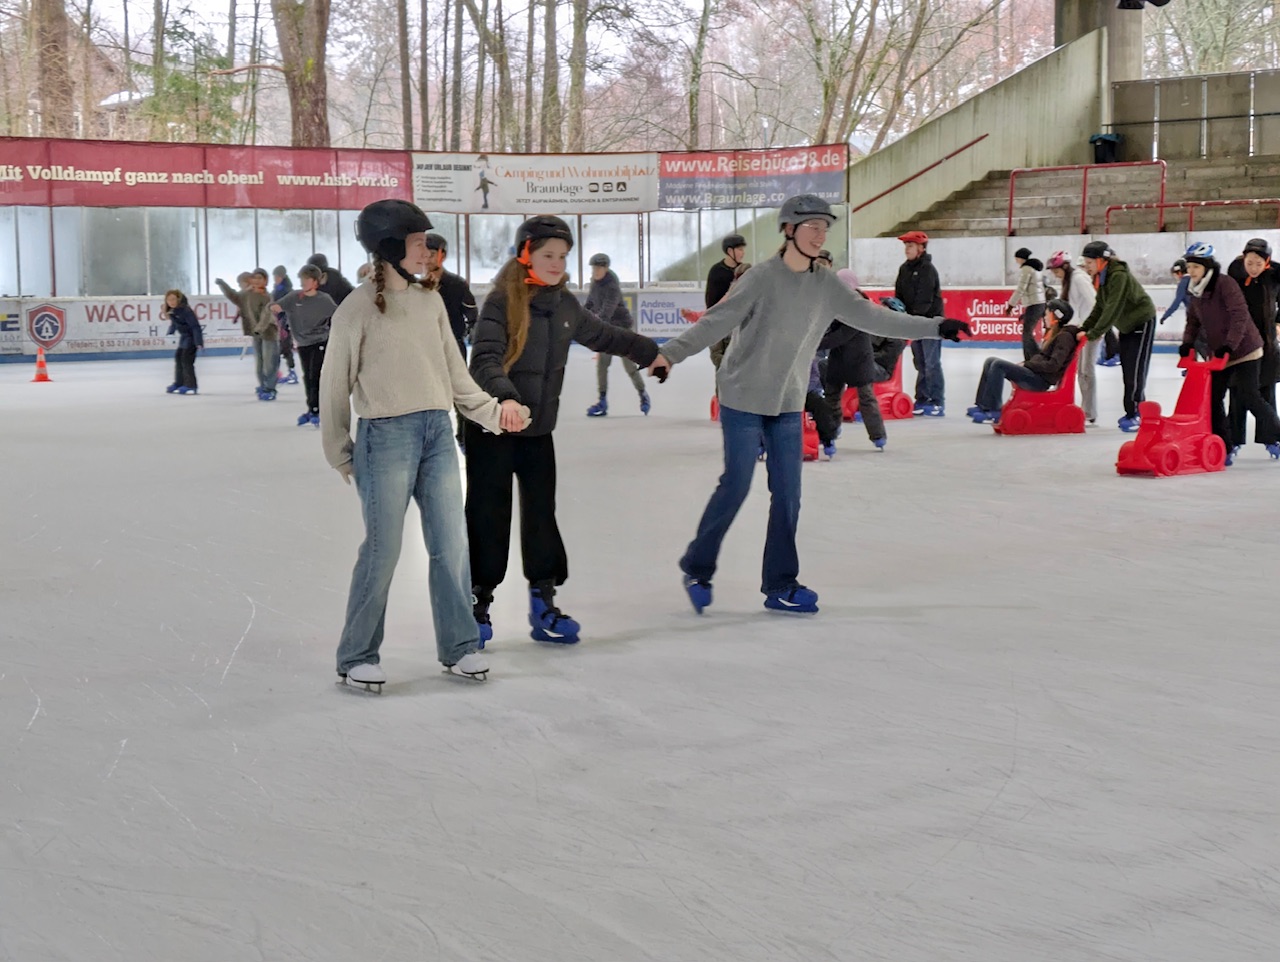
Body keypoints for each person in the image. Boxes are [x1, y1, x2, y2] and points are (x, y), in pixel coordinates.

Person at [647, 195, 970, 616]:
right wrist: (669, 354)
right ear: (789, 229)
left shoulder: (826, 283)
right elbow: (716, 321)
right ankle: (697, 566)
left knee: (788, 494)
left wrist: (936, 326)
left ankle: (780, 583)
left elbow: (875, 317)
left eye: (824, 228)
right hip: (743, 396)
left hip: (787, 400)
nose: (820, 235)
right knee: (737, 484)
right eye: (812, 227)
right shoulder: (761, 278)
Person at [319, 199, 529, 690]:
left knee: (451, 544)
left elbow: (455, 376)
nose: (427, 252)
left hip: (437, 432)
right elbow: (333, 384)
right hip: (384, 437)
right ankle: (356, 655)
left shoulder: (430, 302)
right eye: (418, 243)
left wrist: (494, 413)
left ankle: (460, 647)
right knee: (383, 549)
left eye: (428, 245)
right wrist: (339, 450)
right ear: (390, 246)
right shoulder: (356, 309)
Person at [466, 215, 663, 646]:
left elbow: (607, 336)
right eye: (547, 255)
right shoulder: (501, 302)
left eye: (562, 256)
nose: (557, 263)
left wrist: (649, 352)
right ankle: (476, 604)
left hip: (537, 430)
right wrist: (506, 398)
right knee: (488, 516)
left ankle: (544, 603)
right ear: (526, 255)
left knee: (542, 517)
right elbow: (484, 359)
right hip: (493, 428)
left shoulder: (565, 305)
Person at [1178, 242, 1280, 465]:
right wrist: (1187, 343)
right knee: (1213, 398)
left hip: (1246, 349)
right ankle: (1225, 444)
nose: (1191, 271)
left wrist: (1229, 345)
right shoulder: (1196, 288)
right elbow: (1193, 320)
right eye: (1189, 267)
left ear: (1207, 267)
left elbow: (1239, 315)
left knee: (1250, 395)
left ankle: (1275, 433)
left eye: (1196, 267)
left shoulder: (1225, 284)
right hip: (1220, 353)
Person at [1078, 241, 1156, 432]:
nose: (1087, 266)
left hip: (1142, 322)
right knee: (1128, 370)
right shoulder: (1103, 277)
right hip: (1127, 326)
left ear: (1101, 260)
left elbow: (1113, 308)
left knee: (1135, 370)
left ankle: (1136, 413)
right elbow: (1100, 307)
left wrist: (1094, 333)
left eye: (1089, 262)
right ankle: (1134, 411)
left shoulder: (1118, 275)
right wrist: (1085, 327)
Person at [968, 299, 1082, 423]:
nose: (1043, 317)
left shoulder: (1064, 338)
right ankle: (983, 405)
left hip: (1039, 380)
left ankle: (993, 410)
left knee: (998, 365)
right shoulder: (1056, 335)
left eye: (1046, 314)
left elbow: (1053, 365)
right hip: (1035, 374)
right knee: (990, 361)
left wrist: (1028, 364)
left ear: (1055, 317)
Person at [818, 268, 891, 453]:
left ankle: (878, 435)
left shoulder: (859, 308)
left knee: (866, 398)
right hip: (838, 358)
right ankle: (830, 432)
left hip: (859, 360)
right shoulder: (835, 304)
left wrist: (815, 344)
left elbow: (842, 335)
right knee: (831, 397)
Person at [423, 232, 480, 445]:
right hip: (424, 349)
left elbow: (472, 313)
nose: (427, 259)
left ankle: (464, 435)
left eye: (431, 254)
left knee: (460, 392)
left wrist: (471, 331)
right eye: (424, 254)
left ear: (442, 256)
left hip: (453, 347)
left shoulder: (456, 284)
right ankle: (429, 438)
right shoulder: (415, 287)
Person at [1225, 237, 1280, 456]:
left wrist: (1278, 322)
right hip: (1242, 342)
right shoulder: (1235, 276)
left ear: (1267, 262)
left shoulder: (1275, 276)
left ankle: (1271, 438)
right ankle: (1233, 439)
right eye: (1250, 263)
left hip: (1267, 343)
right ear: (1243, 258)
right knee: (1238, 392)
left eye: (1259, 263)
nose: (1254, 268)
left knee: (1266, 390)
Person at [584, 252, 651, 417]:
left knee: (630, 366)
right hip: (606, 330)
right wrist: (581, 317)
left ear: (606, 268)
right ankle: (602, 400)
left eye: (598, 268)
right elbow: (590, 303)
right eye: (593, 269)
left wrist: (593, 324)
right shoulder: (594, 282)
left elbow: (607, 310)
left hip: (622, 330)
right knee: (602, 366)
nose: (595, 272)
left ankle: (643, 394)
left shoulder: (612, 286)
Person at [271, 264, 336, 426]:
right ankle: (312, 409)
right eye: (302, 279)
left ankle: (316, 410)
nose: (303, 282)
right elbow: (276, 305)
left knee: (315, 375)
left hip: (320, 341)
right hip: (302, 343)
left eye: (306, 279)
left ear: (315, 282)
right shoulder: (295, 297)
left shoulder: (324, 300)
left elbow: (339, 315)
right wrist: (274, 307)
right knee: (307, 376)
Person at [895, 230, 947, 416]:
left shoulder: (927, 270)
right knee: (920, 362)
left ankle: (937, 400)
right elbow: (899, 294)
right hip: (915, 323)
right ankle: (923, 398)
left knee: (932, 362)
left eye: (910, 246)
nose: (906, 249)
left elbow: (925, 299)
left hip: (930, 323)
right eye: (906, 246)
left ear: (921, 248)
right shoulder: (904, 269)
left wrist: (912, 318)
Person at [1046, 250, 1099, 424]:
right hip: (1079, 330)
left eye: (1056, 270)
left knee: (1086, 371)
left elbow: (1094, 303)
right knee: (1080, 371)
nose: (1055, 274)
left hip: (1090, 330)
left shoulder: (1078, 278)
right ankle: (1086, 410)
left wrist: (1088, 328)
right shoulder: (1068, 280)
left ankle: (1089, 412)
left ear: (1065, 266)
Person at [217, 268, 277, 400]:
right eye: (255, 278)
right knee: (259, 363)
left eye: (260, 278)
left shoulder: (268, 297)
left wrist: (259, 328)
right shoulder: (246, 295)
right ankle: (263, 386)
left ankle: (270, 388)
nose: (257, 281)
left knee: (269, 363)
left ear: (265, 281)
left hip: (268, 332)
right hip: (256, 333)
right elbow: (233, 296)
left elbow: (266, 315)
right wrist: (223, 285)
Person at [706, 233, 747, 373]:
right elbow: (710, 302)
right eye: (740, 249)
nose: (743, 253)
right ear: (730, 251)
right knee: (721, 365)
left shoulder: (744, 271)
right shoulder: (716, 272)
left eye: (743, 249)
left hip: (738, 326)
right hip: (720, 326)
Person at [1005, 247, 1047, 361]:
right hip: (1039, 303)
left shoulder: (1026, 269)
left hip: (1034, 304)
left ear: (1020, 258)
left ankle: (1034, 357)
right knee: (1027, 331)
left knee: (1027, 333)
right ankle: (1033, 357)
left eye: (1016, 258)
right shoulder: (1035, 269)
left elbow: (1021, 289)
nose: (1016, 261)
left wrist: (1010, 305)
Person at [163, 289, 203, 395]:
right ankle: (179, 383)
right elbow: (174, 324)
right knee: (178, 358)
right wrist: (170, 332)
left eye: (173, 299)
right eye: (168, 300)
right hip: (184, 338)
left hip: (192, 339)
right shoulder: (173, 311)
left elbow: (195, 327)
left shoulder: (186, 311)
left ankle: (191, 385)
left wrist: (198, 342)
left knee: (186, 360)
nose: (171, 302)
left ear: (178, 299)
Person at [271, 265, 299, 384]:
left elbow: (288, 306)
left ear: (281, 277)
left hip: (285, 322)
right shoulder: (277, 289)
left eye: (276, 277)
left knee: (284, 347)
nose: (275, 279)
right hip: (278, 322)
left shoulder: (286, 290)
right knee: (279, 348)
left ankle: (291, 372)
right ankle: (279, 372)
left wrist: (284, 322)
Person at [1160, 258, 1190, 326]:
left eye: (1174, 275)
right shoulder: (1195, 280)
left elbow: (1177, 301)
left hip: (1194, 315)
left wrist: (1165, 316)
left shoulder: (1183, 283)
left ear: (1179, 273)